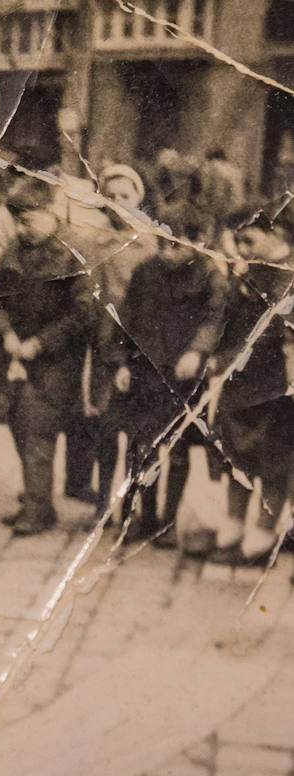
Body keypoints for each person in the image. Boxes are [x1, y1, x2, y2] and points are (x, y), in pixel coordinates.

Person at [107, 202, 227, 547]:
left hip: (184, 377)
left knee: (176, 450)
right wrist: (122, 362)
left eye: (173, 245)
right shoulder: (146, 271)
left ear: (197, 241)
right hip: (146, 372)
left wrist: (196, 351)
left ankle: (168, 522)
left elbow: (215, 319)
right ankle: (140, 517)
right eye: (160, 243)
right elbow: (126, 320)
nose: (164, 252)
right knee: (139, 446)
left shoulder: (210, 277)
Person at [0, 178, 94, 536]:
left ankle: (37, 508)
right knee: (19, 425)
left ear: (50, 213)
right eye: (16, 221)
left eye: (27, 220)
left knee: (37, 431)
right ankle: (37, 498)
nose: (20, 229)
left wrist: (41, 343)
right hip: (15, 355)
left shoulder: (74, 251)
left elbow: (83, 313)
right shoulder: (14, 251)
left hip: (55, 362)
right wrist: (6, 333)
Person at [69, 164, 159, 519]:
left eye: (127, 196)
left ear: (139, 199)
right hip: (105, 345)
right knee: (106, 428)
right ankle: (103, 502)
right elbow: (80, 292)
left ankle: (132, 505)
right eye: (113, 196)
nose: (120, 203)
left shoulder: (153, 245)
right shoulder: (92, 242)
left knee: (140, 431)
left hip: (141, 349)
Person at [207, 203, 294, 564]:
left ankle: (260, 538)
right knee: (236, 458)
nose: (241, 248)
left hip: (276, 383)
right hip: (241, 383)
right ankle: (234, 530)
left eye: (248, 240)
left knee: (274, 462)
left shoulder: (288, 277)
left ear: (274, 235)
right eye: (237, 242)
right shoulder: (251, 272)